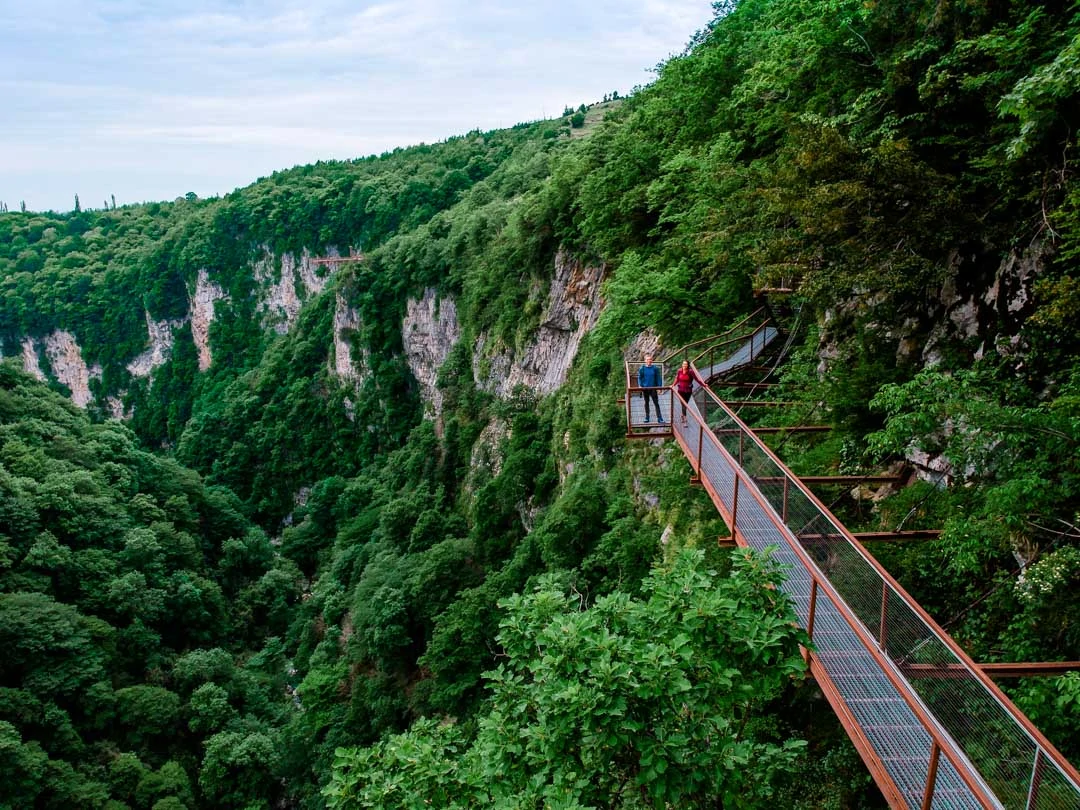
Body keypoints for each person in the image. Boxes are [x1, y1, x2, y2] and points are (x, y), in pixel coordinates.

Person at [674, 359, 705, 426]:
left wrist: (703, 385)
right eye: (683, 364)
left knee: (685, 404)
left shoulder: (690, 372)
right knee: (684, 404)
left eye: (685, 364)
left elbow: (696, 379)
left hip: (688, 391)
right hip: (680, 390)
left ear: (688, 365)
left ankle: (682, 415)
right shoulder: (679, 371)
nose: (684, 365)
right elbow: (677, 379)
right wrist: (673, 385)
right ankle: (685, 420)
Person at [637, 353, 664, 424]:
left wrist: (659, 387)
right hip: (645, 388)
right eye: (647, 359)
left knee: (656, 403)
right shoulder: (642, 368)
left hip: (653, 388)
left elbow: (658, 378)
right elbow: (639, 378)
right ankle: (647, 417)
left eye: (650, 359)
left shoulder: (655, 368)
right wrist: (640, 385)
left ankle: (659, 418)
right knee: (646, 402)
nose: (649, 361)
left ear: (652, 360)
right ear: (645, 360)